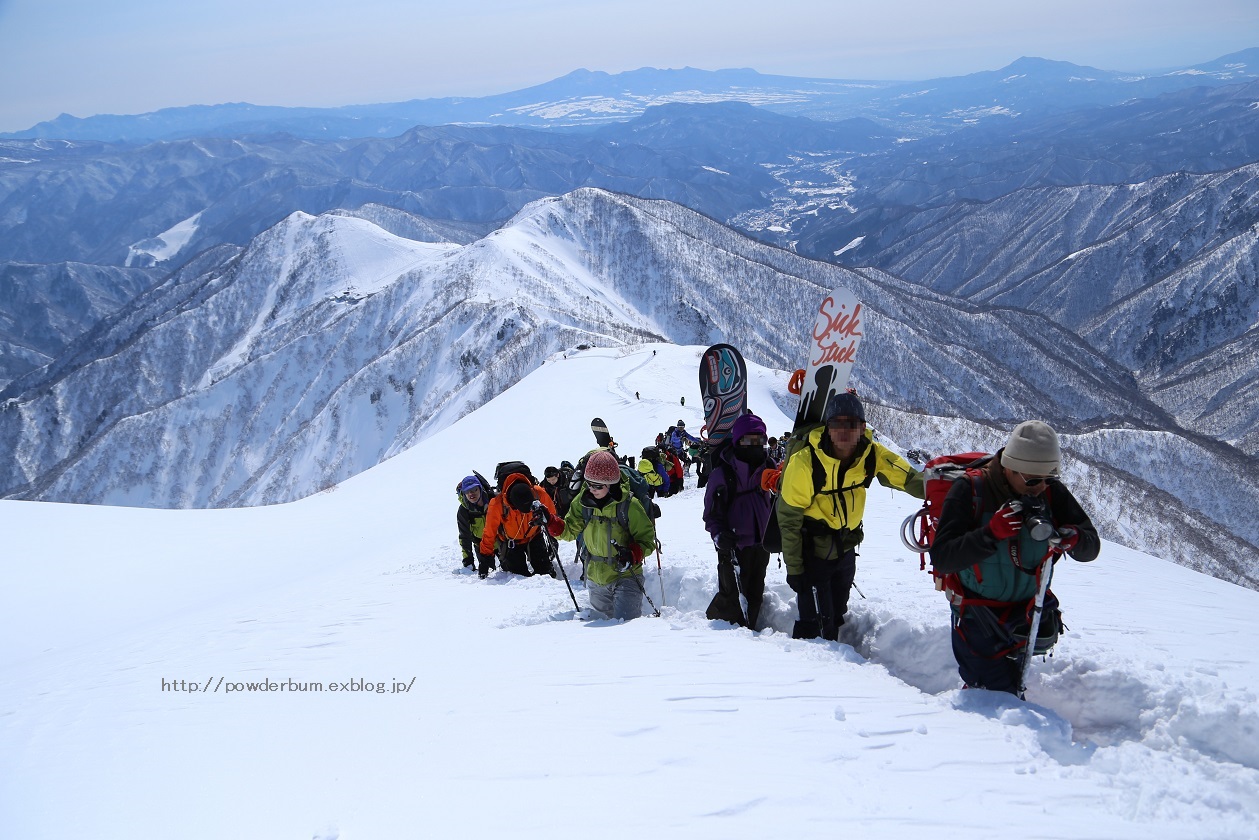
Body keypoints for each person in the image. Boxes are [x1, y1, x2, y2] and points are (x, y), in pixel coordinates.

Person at [930, 420, 1099, 694]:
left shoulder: (1050, 492)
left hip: (1027, 612)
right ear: (1009, 466)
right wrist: (991, 534)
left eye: (1048, 479)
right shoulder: (970, 490)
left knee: (1006, 686)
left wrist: (1075, 539)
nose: (1041, 487)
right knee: (993, 694)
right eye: (1033, 480)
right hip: (977, 615)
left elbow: (1092, 546)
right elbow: (943, 557)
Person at [777, 391, 924, 640]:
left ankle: (835, 665)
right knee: (813, 625)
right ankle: (804, 670)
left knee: (836, 612)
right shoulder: (806, 462)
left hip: (846, 548)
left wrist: (952, 490)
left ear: (862, 427)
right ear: (828, 427)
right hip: (813, 552)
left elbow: (909, 479)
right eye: (837, 424)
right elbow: (789, 518)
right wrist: (795, 569)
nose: (844, 431)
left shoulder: (872, 454)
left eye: (852, 424)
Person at [547, 450, 657, 620]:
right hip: (595, 578)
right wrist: (550, 521)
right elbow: (568, 531)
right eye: (589, 483)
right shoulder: (583, 503)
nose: (592, 489)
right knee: (602, 633)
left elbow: (647, 540)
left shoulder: (630, 505)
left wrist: (633, 553)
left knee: (627, 629)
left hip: (626, 576)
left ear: (611, 484)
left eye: (598, 485)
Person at [703, 413, 774, 629]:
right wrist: (718, 536)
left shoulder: (769, 466)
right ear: (737, 441)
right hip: (732, 545)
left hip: (761, 544)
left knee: (755, 593)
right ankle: (721, 632)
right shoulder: (723, 474)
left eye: (759, 440)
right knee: (731, 595)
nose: (754, 445)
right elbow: (711, 515)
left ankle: (749, 632)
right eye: (748, 440)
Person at [480, 472, 558, 578]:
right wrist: (485, 558)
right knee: (517, 577)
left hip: (534, 536)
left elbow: (552, 516)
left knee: (546, 572)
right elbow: (489, 532)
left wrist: (553, 538)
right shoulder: (498, 504)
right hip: (511, 543)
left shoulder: (538, 493)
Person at [456, 475, 496, 578]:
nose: (471, 493)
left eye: (474, 489)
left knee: (509, 572)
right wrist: (468, 562)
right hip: (481, 545)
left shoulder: (493, 500)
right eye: (468, 491)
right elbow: (464, 537)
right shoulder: (464, 511)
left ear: (480, 489)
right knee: (487, 576)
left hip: (501, 543)